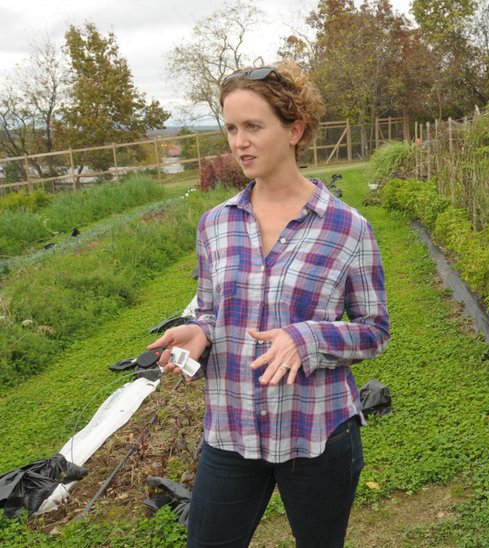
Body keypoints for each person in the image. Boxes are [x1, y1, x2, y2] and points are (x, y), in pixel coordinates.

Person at [148, 61, 390, 547]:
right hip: (230, 432)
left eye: (254, 126)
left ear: (294, 129)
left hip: (316, 434)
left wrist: (306, 338)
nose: (240, 142)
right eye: (233, 128)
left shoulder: (347, 228)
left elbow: (374, 328)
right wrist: (200, 332)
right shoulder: (215, 225)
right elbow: (212, 311)